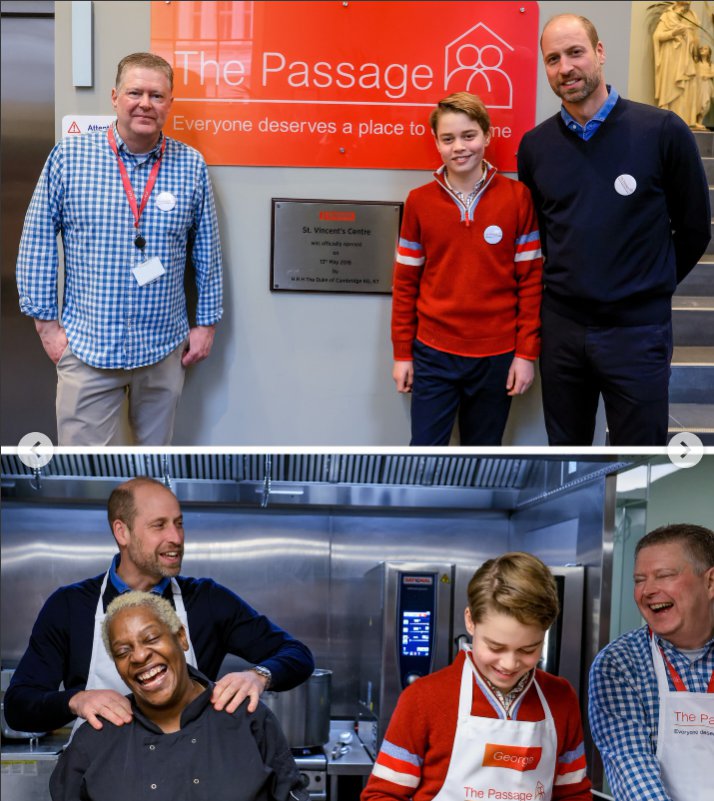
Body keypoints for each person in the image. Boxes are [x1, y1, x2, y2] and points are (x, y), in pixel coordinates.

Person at [517, 15, 711, 446]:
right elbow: (543, 233)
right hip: (563, 329)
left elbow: (695, 228)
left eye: (575, 52)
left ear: (599, 53)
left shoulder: (661, 131)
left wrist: (647, 283)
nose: (565, 67)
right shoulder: (535, 147)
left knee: (637, 455)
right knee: (566, 455)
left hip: (637, 331)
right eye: (553, 59)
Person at [16, 52, 223, 446]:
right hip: (88, 347)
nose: (145, 103)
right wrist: (46, 326)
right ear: (115, 97)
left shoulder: (190, 165)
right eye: (135, 92)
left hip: (163, 349)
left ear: (170, 104)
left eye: (157, 95)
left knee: (153, 466)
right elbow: (37, 239)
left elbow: (207, 252)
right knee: (83, 469)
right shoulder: (70, 157)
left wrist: (206, 323)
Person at [4, 476, 314, 735]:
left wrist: (258, 675)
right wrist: (76, 701)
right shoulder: (70, 607)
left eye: (179, 524)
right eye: (159, 525)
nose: (176, 537)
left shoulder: (207, 600)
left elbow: (297, 655)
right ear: (122, 532)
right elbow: (18, 707)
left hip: (189, 777)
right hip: (101, 778)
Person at [361, 552, 592, 801]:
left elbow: (573, 793)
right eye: (495, 647)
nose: (509, 663)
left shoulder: (560, 698)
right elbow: (381, 795)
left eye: (528, 649)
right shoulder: (423, 698)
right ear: (470, 621)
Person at [49, 591, 309, 801]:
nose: (139, 656)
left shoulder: (247, 719)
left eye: (151, 638)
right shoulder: (95, 738)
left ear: (181, 638)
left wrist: (260, 675)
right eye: (123, 651)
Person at [391, 92, 543, 446]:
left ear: (487, 136)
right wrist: (402, 353)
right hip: (432, 353)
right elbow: (405, 283)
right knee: (424, 453)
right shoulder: (419, 202)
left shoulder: (517, 198)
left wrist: (525, 354)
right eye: (448, 139)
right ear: (437, 143)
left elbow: (531, 283)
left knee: (484, 455)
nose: (459, 147)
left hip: (498, 356)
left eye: (469, 135)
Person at [588, 524, 714, 801]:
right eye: (639, 580)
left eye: (665, 576)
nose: (647, 591)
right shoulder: (621, 664)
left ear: (710, 582)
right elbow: (631, 769)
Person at [653, 0, 702, 126]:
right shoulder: (667, 16)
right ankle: (668, 118)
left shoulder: (692, 17)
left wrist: (691, 41)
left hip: (687, 59)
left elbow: (696, 40)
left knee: (688, 88)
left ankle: (688, 119)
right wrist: (673, 33)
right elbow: (657, 36)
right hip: (671, 58)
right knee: (670, 86)